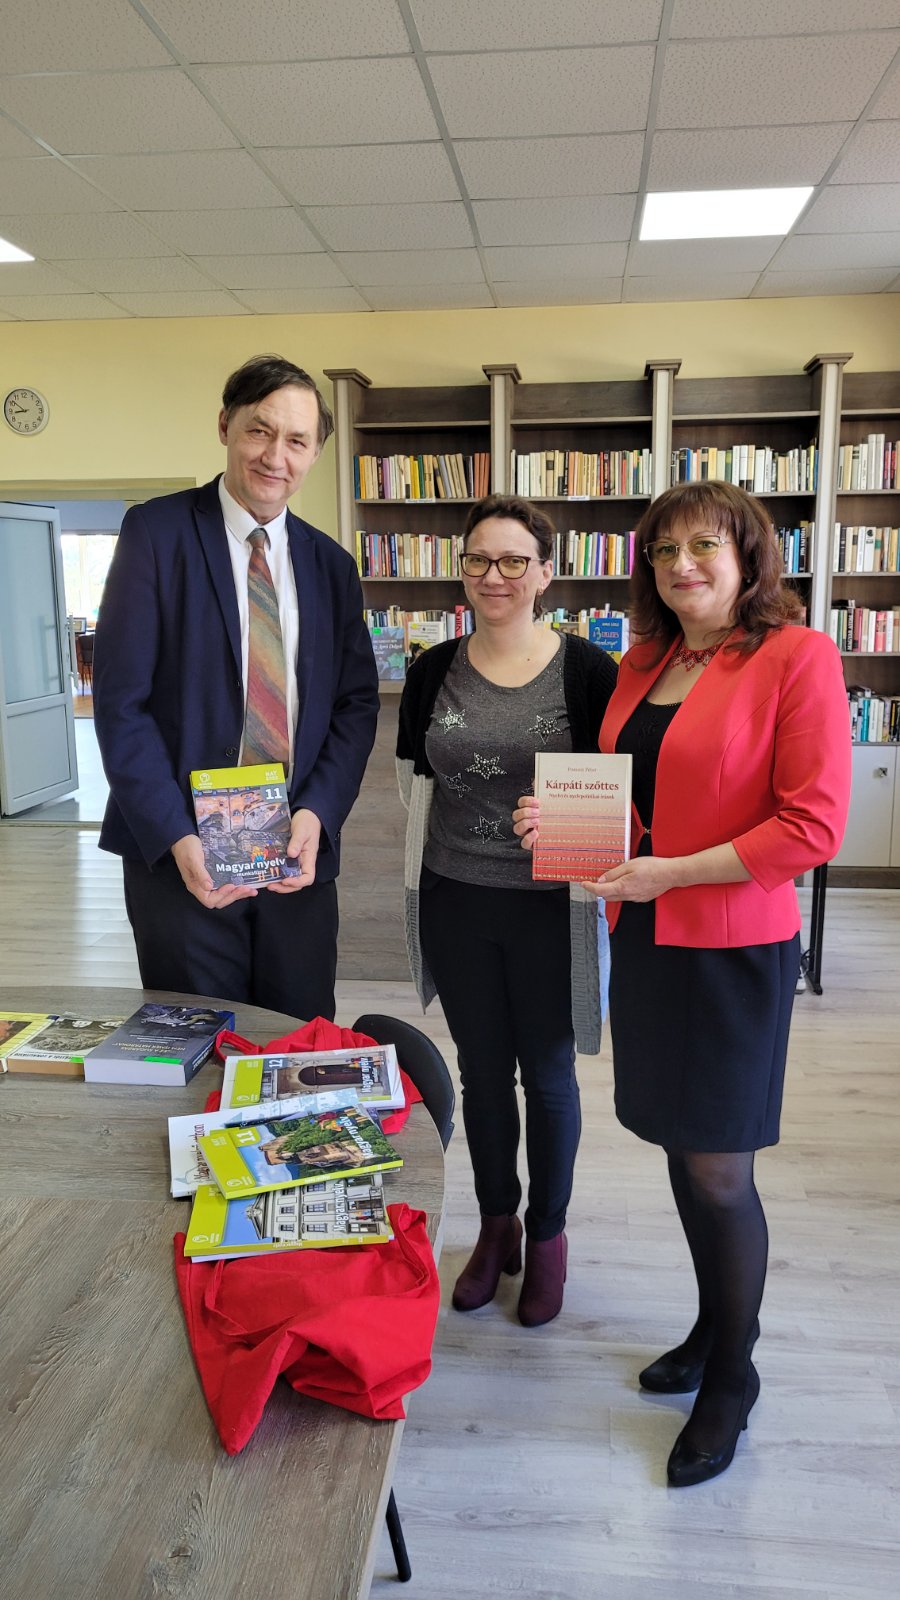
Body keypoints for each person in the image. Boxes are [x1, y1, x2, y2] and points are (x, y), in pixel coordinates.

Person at [515, 480, 850, 1483]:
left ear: (749, 557)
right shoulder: (645, 661)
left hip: (733, 946)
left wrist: (670, 872)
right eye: (663, 550)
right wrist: (564, 826)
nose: (682, 564)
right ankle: (712, 1328)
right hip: (650, 935)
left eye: (705, 545)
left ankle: (734, 1376)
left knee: (720, 1167)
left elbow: (811, 825)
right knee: (677, 1137)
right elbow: (639, 799)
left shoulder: (797, 656)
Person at [94, 354, 379, 1021]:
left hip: (294, 854)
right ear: (225, 425)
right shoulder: (155, 533)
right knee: (199, 1039)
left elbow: (354, 705)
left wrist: (318, 813)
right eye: (260, 430)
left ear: (314, 454)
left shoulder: (331, 565)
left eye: (297, 441)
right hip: (182, 857)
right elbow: (122, 704)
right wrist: (175, 834)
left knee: (296, 1038)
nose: (276, 456)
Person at [396, 494, 618, 1326]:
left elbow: (620, 794)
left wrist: (568, 820)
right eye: (479, 559)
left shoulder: (589, 672)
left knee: (549, 1076)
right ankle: (498, 1226)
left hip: (551, 908)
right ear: (462, 569)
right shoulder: (432, 668)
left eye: (515, 560)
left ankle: (549, 1235)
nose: (495, 576)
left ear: (546, 573)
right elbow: (414, 781)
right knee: (481, 1074)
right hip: (455, 899)